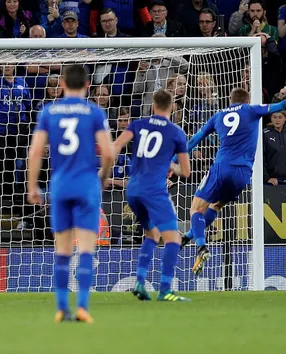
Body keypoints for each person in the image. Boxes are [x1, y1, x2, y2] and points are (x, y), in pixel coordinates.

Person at [179, 88, 286, 275]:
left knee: (196, 209)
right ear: (247, 100)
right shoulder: (252, 110)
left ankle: (201, 246)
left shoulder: (217, 116)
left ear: (230, 100)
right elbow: (284, 105)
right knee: (216, 206)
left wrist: (173, 162)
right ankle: (186, 237)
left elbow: (194, 140)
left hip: (222, 167)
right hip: (242, 174)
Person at [26, 64, 113, 323]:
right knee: (86, 248)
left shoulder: (49, 111)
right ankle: (83, 307)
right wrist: (104, 177)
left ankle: (62, 308)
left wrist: (32, 186)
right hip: (87, 184)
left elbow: (36, 151)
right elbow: (108, 153)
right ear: (87, 86)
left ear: (62, 84)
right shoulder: (95, 112)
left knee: (62, 249)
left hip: (60, 186)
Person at [112, 89, 191, 302]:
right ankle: (165, 290)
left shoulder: (137, 125)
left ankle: (140, 282)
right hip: (154, 191)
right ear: (172, 107)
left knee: (152, 234)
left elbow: (117, 145)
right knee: (173, 238)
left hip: (133, 189)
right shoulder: (176, 133)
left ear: (153, 107)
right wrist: (171, 165)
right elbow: (186, 172)